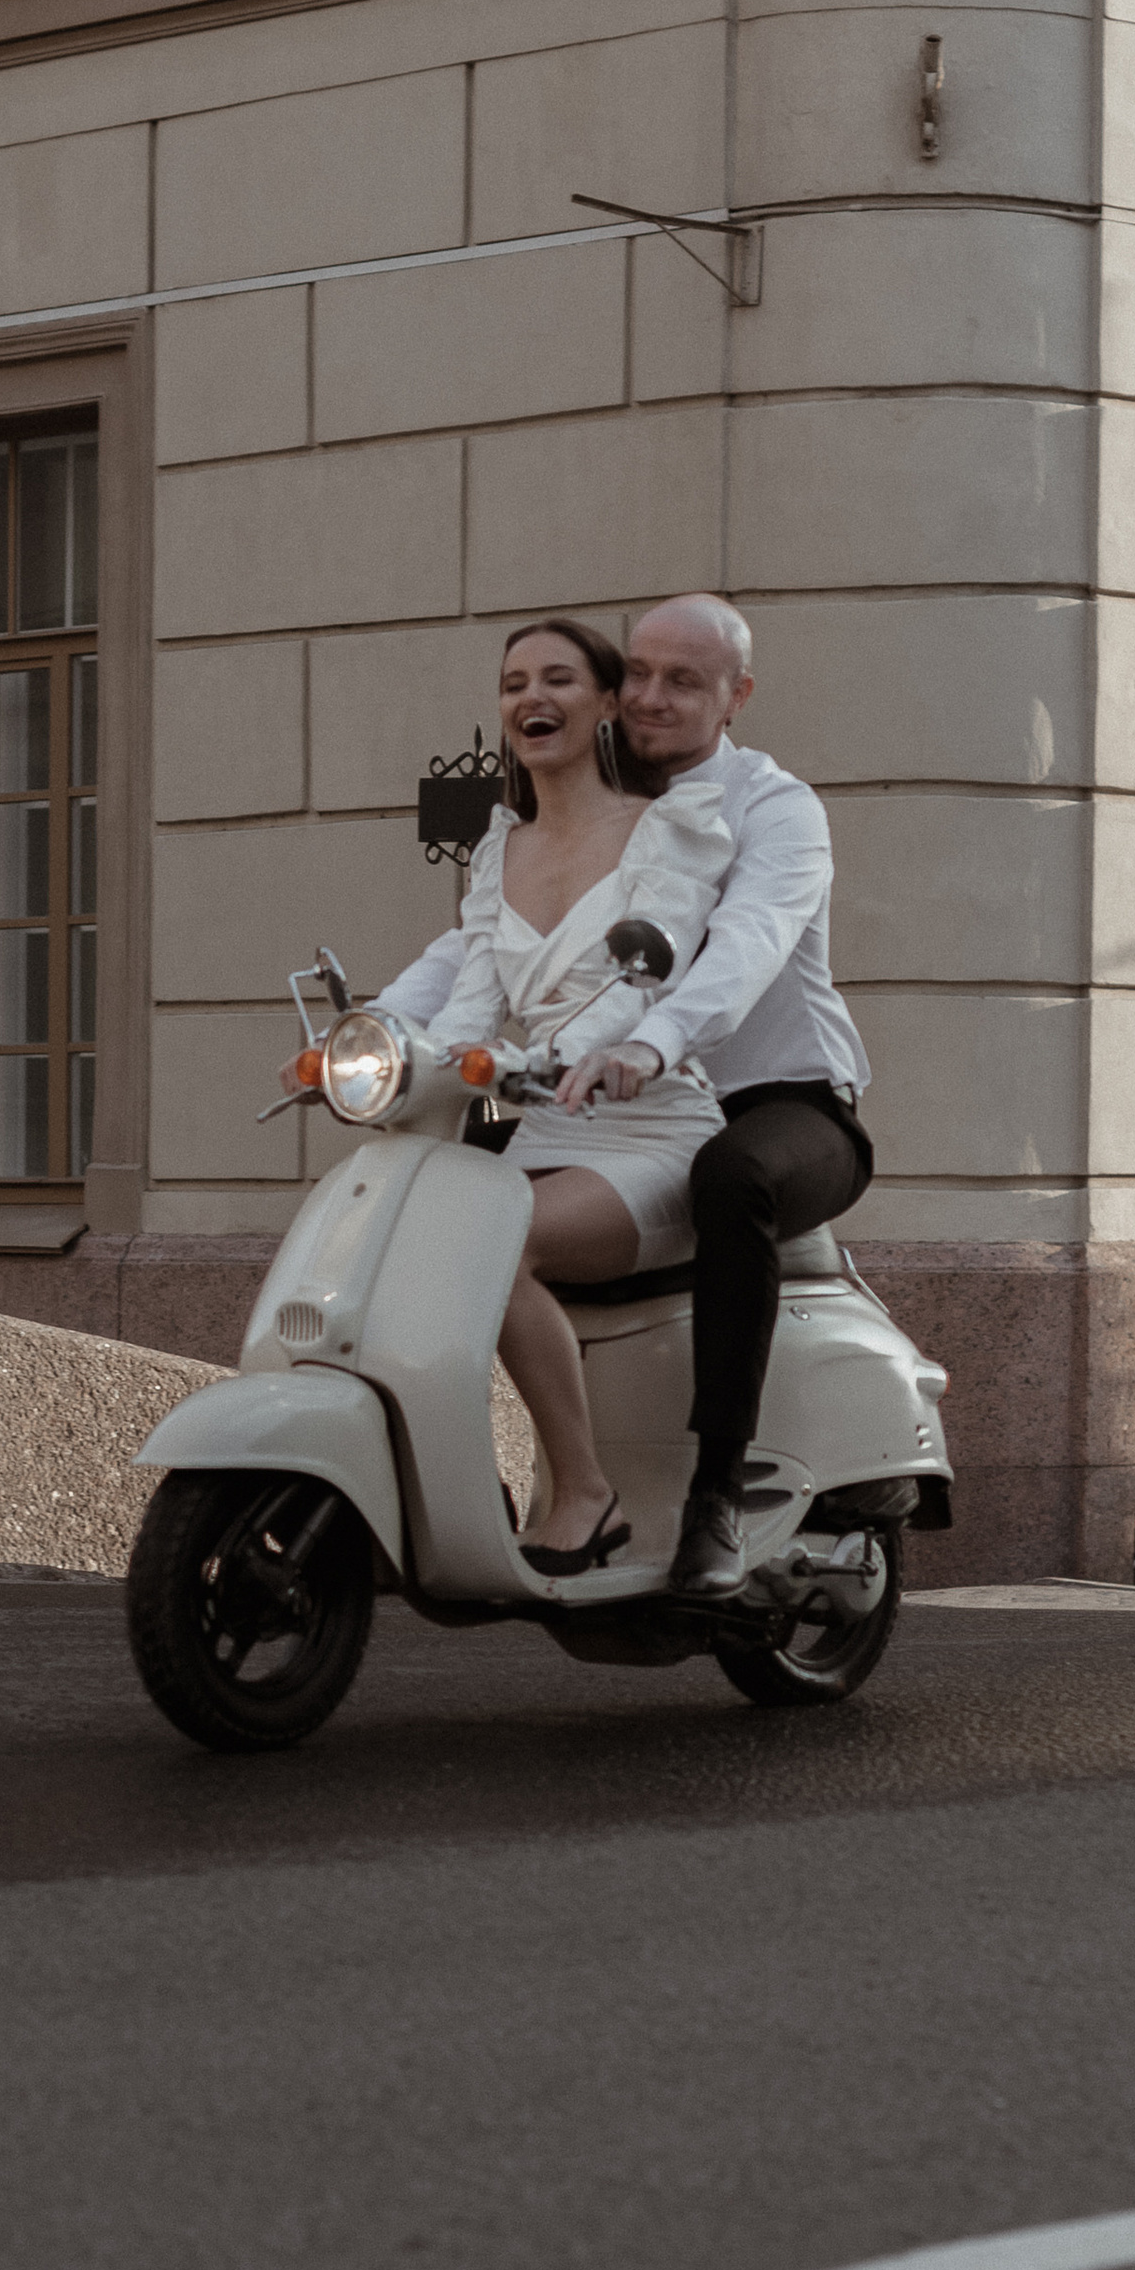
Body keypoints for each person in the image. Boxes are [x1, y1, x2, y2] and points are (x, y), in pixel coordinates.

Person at [378, 593, 870, 1605]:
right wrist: (370, 1036)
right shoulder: (584, 806)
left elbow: (742, 949)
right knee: (431, 1205)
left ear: (735, 696)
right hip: (596, 1091)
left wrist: (647, 1044)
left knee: (732, 1177)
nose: (651, 697)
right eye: (639, 672)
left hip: (776, 1096)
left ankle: (716, 1497)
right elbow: (472, 952)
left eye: (681, 680)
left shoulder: (764, 808)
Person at [401, 616, 732, 1580]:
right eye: (512, 684)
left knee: (494, 1242)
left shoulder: (667, 830)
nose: (530, 699)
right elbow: (471, 1002)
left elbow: (644, 981)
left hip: (651, 1125)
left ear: (602, 707)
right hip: (544, 1120)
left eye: (556, 679)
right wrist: (383, 1056)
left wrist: (567, 1049)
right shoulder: (497, 849)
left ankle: (587, 1492)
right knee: (416, 1239)